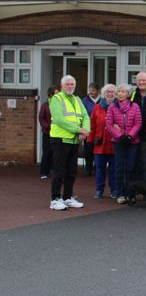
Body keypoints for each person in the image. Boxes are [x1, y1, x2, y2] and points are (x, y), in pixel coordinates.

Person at [48, 75, 90, 211]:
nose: (70, 86)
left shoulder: (77, 99)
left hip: (73, 140)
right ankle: (54, 199)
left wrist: (85, 131)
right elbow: (59, 119)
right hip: (60, 140)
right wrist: (79, 130)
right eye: (67, 84)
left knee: (71, 171)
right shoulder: (56, 98)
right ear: (62, 86)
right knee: (59, 171)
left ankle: (67, 197)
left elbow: (85, 116)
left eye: (72, 84)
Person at [107, 84, 142, 204]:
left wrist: (130, 136)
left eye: (123, 92)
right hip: (118, 142)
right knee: (119, 167)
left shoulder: (134, 106)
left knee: (130, 167)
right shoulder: (112, 106)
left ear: (128, 94)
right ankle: (120, 193)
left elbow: (138, 123)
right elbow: (109, 124)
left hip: (133, 142)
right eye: (119, 91)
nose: (120, 93)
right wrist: (120, 135)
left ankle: (130, 193)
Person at [88, 84, 116, 199]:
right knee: (99, 168)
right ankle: (99, 190)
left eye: (112, 92)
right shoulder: (97, 107)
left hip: (114, 144)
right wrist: (90, 140)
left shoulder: (118, 107)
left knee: (114, 169)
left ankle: (114, 190)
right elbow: (92, 125)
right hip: (100, 144)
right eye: (107, 92)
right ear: (104, 94)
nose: (110, 94)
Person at [39, 85, 58, 179]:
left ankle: (55, 171)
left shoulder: (60, 105)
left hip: (57, 132)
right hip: (47, 132)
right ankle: (44, 172)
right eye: (56, 94)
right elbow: (41, 118)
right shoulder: (45, 105)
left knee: (56, 153)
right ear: (51, 94)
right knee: (47, 152)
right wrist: (47, 126)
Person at [81, 83, 100, 176]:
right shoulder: (84, 100)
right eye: (90, 90)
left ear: (98, 91)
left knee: (97, 148)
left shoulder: (101, 100)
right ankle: (89, 168)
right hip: (88, 128)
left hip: (99, 128)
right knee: (88, 148)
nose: (91, 92)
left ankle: (97, 168)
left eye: (93, 90)